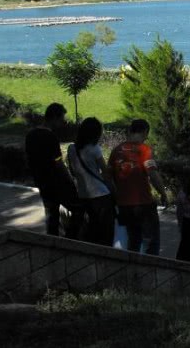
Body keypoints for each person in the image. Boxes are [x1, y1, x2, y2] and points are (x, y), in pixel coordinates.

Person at [107, 119, 168, 256]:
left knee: (133, 241)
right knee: (150, 242)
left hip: (124, 206)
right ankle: (149, 266)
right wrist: (163, 193)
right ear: (145, 132)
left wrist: (117, 195)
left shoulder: (116, 151)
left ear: (131, 130)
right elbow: (153, 174)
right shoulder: (144, 150)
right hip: (143, 204)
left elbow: (107, 177)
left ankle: (133, 266)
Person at [25, 103, 82, 238]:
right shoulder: (51, 137)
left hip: (40, 180)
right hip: (56, 181)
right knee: (78, 208)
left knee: (51, 213)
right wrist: (69, 179)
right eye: (61, 119)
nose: (62, 123)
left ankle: (53, 238)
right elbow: (58, 162)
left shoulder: (31, 135)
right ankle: (70, 238)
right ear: (54, 117)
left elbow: (28, 158)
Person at [67, 117, 115, 246]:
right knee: (105, 232)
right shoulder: (95, 148)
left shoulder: (71, 148)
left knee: (91, 230)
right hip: (101, 195)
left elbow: (73, 171)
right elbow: (106, 173)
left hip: (83, 195)